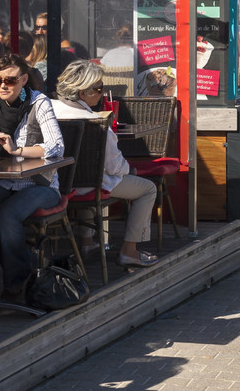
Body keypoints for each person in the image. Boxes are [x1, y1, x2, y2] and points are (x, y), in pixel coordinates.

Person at [0, 54, 65, 295]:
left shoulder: (39, 103)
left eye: (10, 80)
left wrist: (18, 150)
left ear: (24, 79)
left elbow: (57, 147)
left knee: (6, 216)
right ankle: (26, 268)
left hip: (40, 184)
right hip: (5, 181)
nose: (3, 86)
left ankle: (15, 285)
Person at [51, 60, 159, 268]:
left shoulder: (45, 111)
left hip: (55, 184)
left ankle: (87, 242)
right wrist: (130, 169)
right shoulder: (97, 124)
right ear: (83, 93)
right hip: (85, 186)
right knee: (148, 189)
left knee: (85, 179)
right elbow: (114, 167)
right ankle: (129, 250)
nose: (102, 92)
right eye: (99, 88)